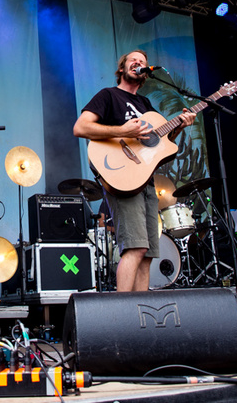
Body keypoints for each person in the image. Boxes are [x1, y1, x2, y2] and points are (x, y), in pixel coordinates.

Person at [73, 50, 196, 292]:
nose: (138, 64)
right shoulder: (108, 95)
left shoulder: (146, 105)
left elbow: (162, 142)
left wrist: (180, 125)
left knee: (148, 252)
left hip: (146, 180)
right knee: (135, 247)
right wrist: (123, 132)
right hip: (123, 178)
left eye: (143, 63)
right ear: (122, 69)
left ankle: (142, 311)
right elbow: (81, 127)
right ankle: (124, 313)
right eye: (133, 61)